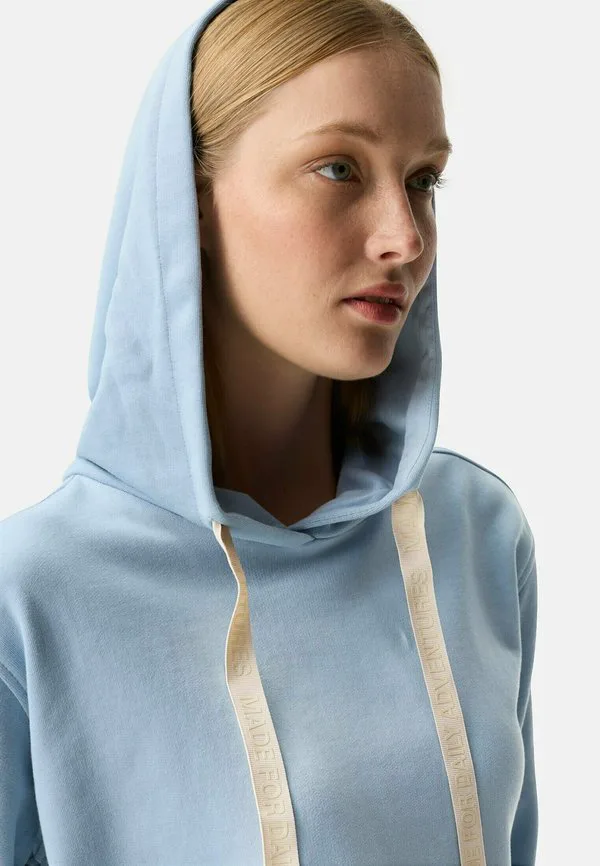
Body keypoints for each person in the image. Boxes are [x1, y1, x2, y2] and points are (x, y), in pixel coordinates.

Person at [0, 1, 539, 864]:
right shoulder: (32, 594)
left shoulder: (475, 533)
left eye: (423, 180)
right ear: (188, 200)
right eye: (339, 168)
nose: (405, 238)